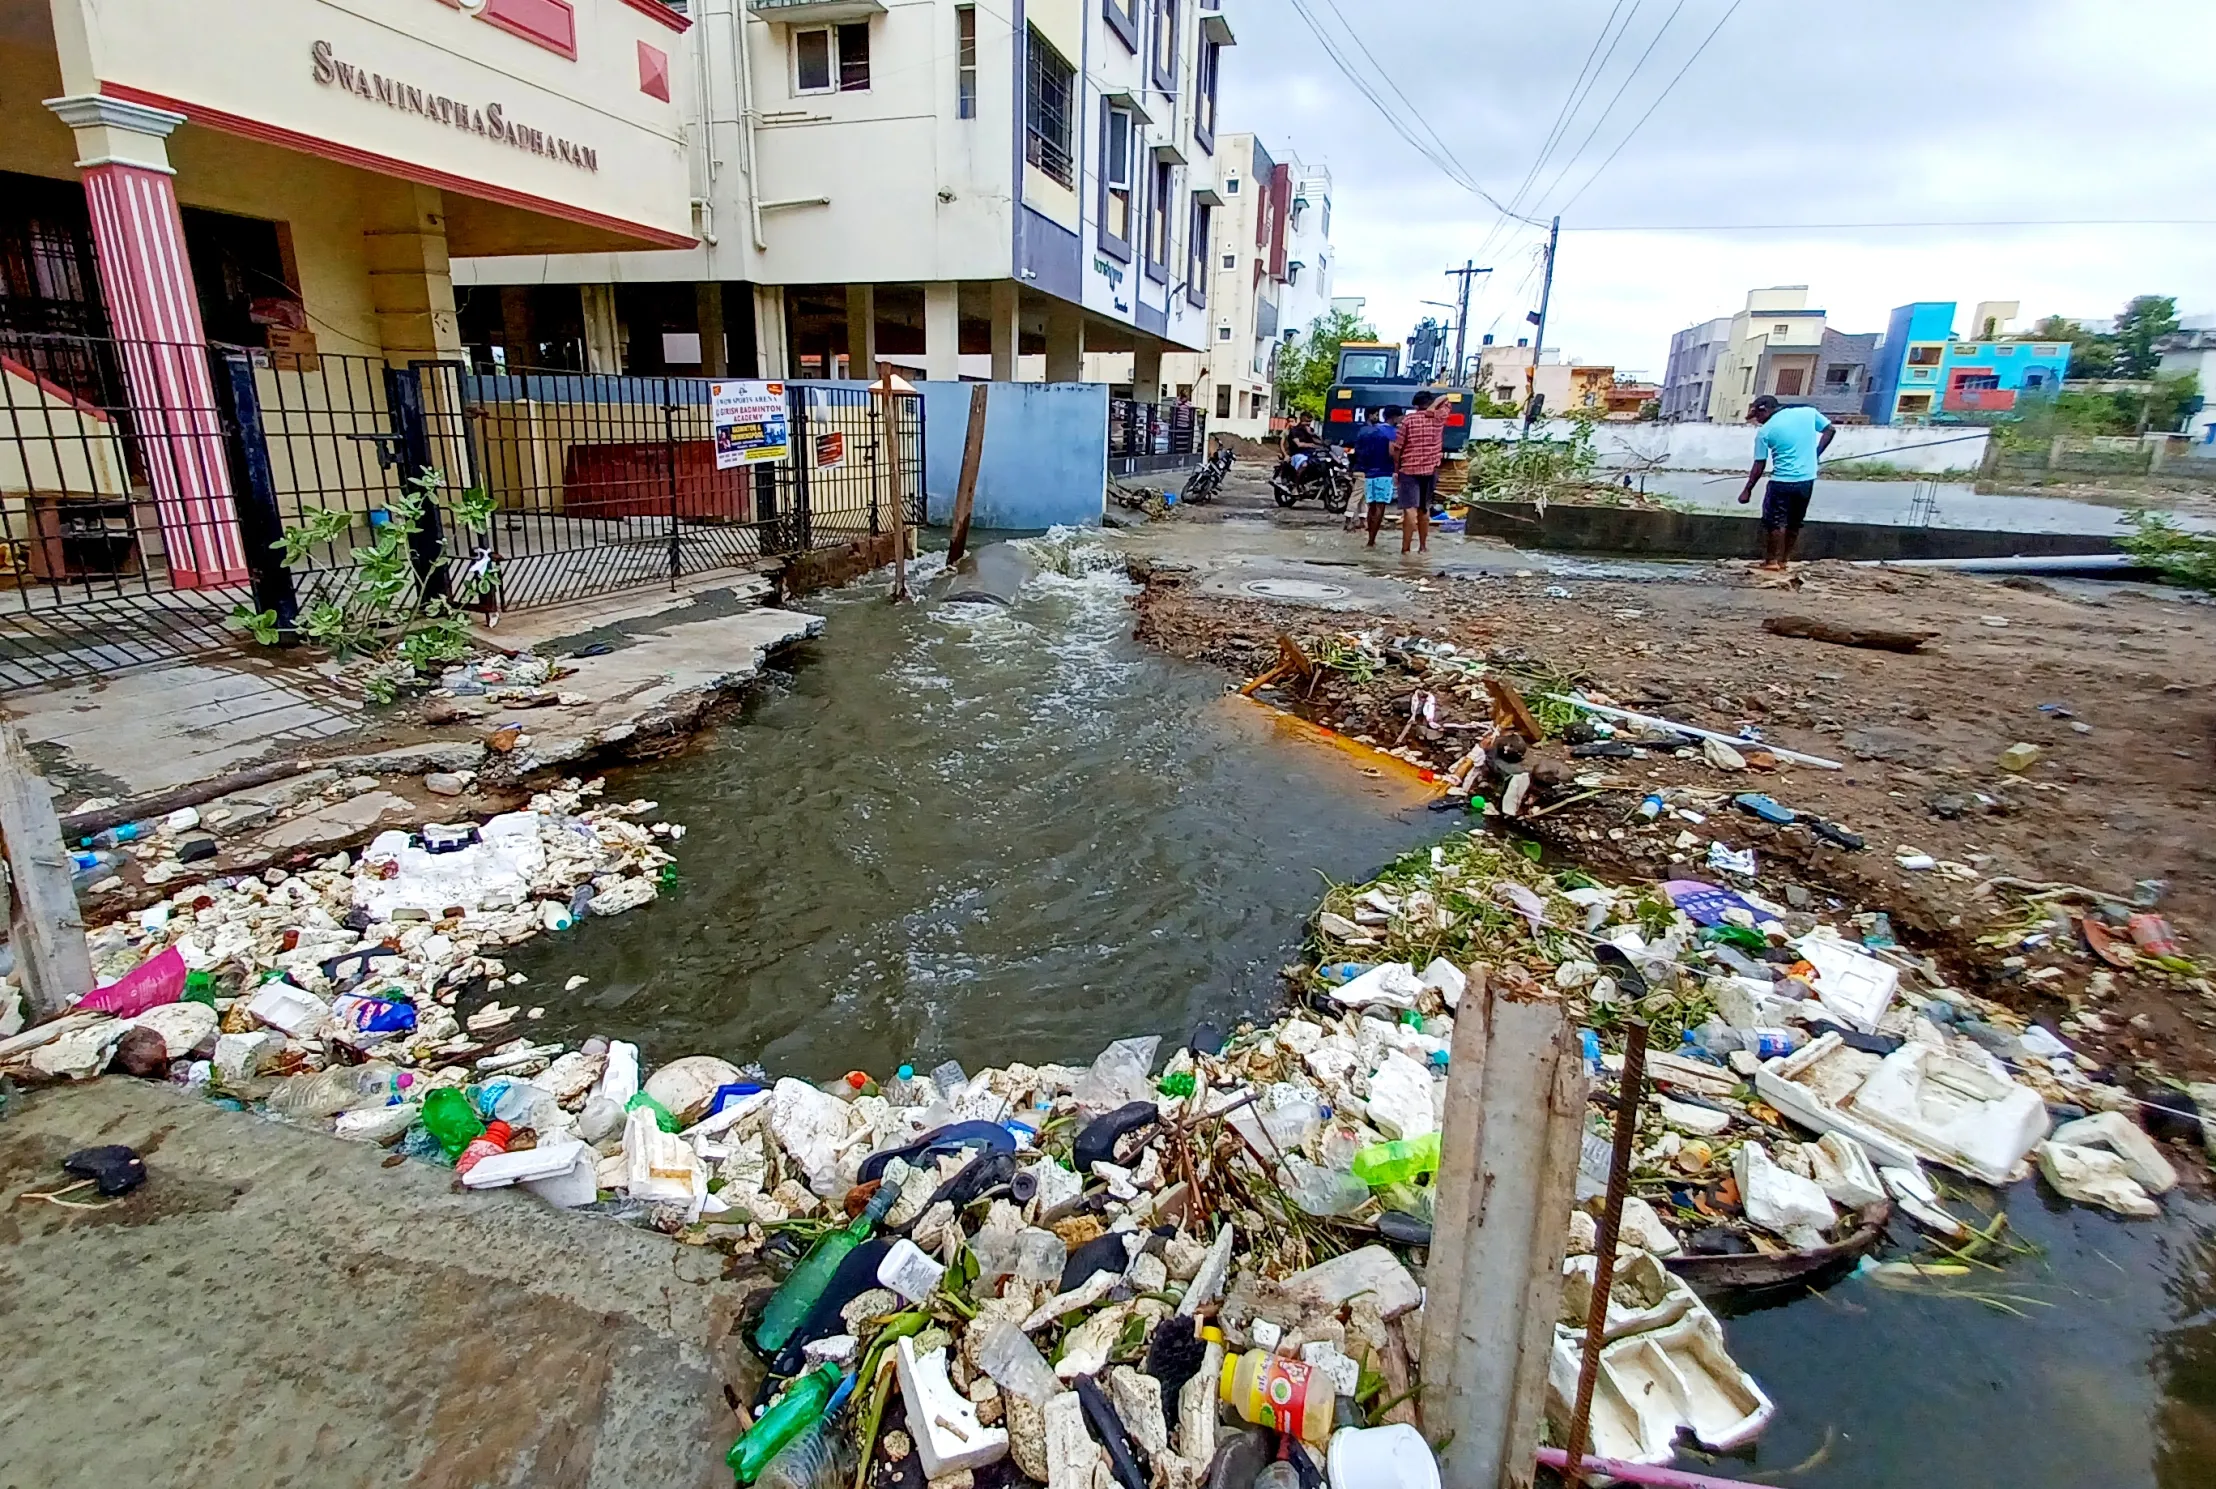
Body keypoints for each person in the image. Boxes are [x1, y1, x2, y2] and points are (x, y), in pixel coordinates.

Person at [1737, 394, 1835, 571]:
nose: (1757, 421)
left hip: (1781, 482)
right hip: (1806, 480)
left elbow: (1759, 464)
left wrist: (1747, 490)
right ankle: (1784, 561)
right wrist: (1816, 453)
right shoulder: (1808, 413)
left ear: (1764, 410)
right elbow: (1830, 430)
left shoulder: (1765, 432)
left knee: (1774, 523)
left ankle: (1771, 562)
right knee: (1794, 522)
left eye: (1757, 416)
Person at [1393, 389, 1450, 554]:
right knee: (1424, 509)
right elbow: (1445, 398)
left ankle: (1406, 549)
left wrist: (1396, 469)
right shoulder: (1439, 418)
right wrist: (1434, 407)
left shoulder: (1408, 421)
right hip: (1430, 470)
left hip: (1409, 470)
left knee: (1409, 509)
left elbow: (1398, 448)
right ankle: (1423, 547)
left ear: (1415, 405)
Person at [1350, 406, 1402, 546]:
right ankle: (1372, 539)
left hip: (1369, 473)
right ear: (1395, 417)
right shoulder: (1392, 433)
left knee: (1371, 505)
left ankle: (1369, 538)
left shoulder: (1371, 430)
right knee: (1380, 506)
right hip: (1384, 472)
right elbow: (1393, 453)